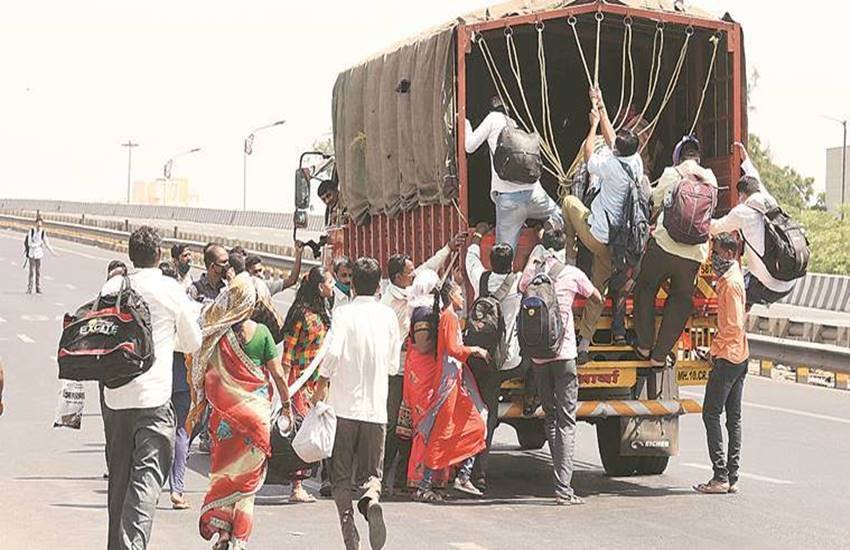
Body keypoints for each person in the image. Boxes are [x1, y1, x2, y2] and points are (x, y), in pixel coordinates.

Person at [100, 226, 202, 549]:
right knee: (146, 482)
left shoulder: (114, 285)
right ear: (159, 256)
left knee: (119, 481)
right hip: (154, 399)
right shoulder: (170, 289)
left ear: (131, 256)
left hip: (115, 398)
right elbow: (192, 341)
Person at [189, 273, 293, 549]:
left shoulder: (215, 336)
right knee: (247, 486)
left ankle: (223, 533)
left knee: (225, 476)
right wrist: (287, 404)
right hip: (256, 418)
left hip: (224, 420)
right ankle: (239, 541)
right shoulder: (263, 333)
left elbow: (203, 375)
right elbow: (279, 375)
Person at [315, 257, 401, 550]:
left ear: (352, 284)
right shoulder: (388, 316)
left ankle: (349, 530)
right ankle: (370, 500)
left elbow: (333, 353)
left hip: (343, 409)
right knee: (371, 474)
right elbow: (392, 366)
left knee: (340, 476)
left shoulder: (343, 314)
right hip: (376, 409)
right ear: (379, 285)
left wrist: (321, 380)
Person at [519, 227, 601, 505]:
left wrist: (533, 261)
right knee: (567, 421)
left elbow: (521, 288)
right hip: (565, 355)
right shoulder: (572, 274)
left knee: (551, 417)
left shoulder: (532, 274)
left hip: (539, 358)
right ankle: (563, 488)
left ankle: (560, 476)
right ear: (565, 248)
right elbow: (596, 297)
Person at [563, 88, 643, 364]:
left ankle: (570, 255)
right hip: (617, 245)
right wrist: (602, 103)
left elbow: (588, 154)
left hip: (596, 235)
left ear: (615, 151)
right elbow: (613, 139)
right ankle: (583, 344)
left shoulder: (609, 165)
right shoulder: (635, 162)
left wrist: (593, 124)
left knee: (570, 202)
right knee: (598, 291)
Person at [381, 237, 459, 494]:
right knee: (394, 425)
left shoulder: (416, 294)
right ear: (397, 277)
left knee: (410, 426)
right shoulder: (390, 303)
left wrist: (448, 248)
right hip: (397, 370)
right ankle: (381, 477)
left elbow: (430, 265)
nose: (414, 273)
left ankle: (404, 477)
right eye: (409, 271)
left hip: (413, 370)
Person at [633, 135, 718, 367]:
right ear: (698, 158)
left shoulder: (672, 173)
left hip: (665, 245)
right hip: (694, 253)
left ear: (678, 156)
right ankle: (659, 356)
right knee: (681, 300)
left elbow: (655, 201)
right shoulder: (711, 179)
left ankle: (643, 345)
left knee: (645, 287)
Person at [405, 276, 489, 501]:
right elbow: (453, 348)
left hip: (452, 383)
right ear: (451, 296)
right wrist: (474, 350)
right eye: (460, 293)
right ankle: (429, 483)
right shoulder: (449, 317)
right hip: (448, 386)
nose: (463, 297)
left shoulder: (446, 316)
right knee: (446, 433)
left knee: (474, 426)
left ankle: (461, 475)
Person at [464, 223, 522, 490]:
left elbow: (469, 258)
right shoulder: (519, 281)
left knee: (484, 412)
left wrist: (477, 235)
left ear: (491, 262)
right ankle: (532, 395)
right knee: (533, 363)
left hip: (481, 358)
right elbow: (540, 263)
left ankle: (477, 471)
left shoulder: (481, 278)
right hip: (508, 361)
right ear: (511, 264)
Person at [464, 95, 564, 250]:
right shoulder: (517, 126)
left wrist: (465, 123)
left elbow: (469, 146)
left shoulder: (493, 118)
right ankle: (548, 231)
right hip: (535, 195)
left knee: (503, 253)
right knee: (562, 215)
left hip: (509, 201)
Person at [710, 142, 796, 308]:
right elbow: (754, 176)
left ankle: (735, 331)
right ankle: (740, 327)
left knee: (731, 291)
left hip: (770, 285)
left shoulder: (742, 211)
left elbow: (715, 228)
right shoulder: (769, 201)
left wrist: (697, 218)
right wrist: (745, 158)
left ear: (742, 195)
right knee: (746, 285)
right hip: (789, 280)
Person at [695, 232, 749, 495]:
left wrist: (714, 351)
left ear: (729, 254)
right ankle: (732, 476)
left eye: (716, 253)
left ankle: (720, 476)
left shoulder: (729, 283)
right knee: (734, 419)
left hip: (728, 357)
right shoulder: (735, 278)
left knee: (711, 413)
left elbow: (734, 325)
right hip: (740, 355)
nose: (713, 258)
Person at [280, 265, 334, 503]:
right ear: (320, 286)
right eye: (330, 282)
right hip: (300, 381)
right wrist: (283, 386)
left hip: (319, 382)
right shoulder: (301, 314)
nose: (332, 287)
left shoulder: (324, 310)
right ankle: (297, 485)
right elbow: (289, 351)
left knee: (318, 430)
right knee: (301, 430)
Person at [157, 262, 194, 510]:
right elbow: (193, 342)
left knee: (156, 431)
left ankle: (151, 484)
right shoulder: (183, 303)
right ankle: (177, 490)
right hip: (181, 375)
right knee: (181, 431)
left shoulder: (149, 303)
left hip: (156, 378)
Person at [23, 216, 56, 294]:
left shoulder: (43, 233)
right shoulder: (31, 231)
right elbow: (29, 243)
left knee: (38, 272)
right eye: (38, 225)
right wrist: (38, 244)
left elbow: (47, 243)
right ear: (35, 224)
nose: (39, 227)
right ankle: (29, 288)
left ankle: (38, 288)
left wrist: (53, 252)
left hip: (39, 255)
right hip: (32, 254)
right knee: (31, 272)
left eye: (40, 225)